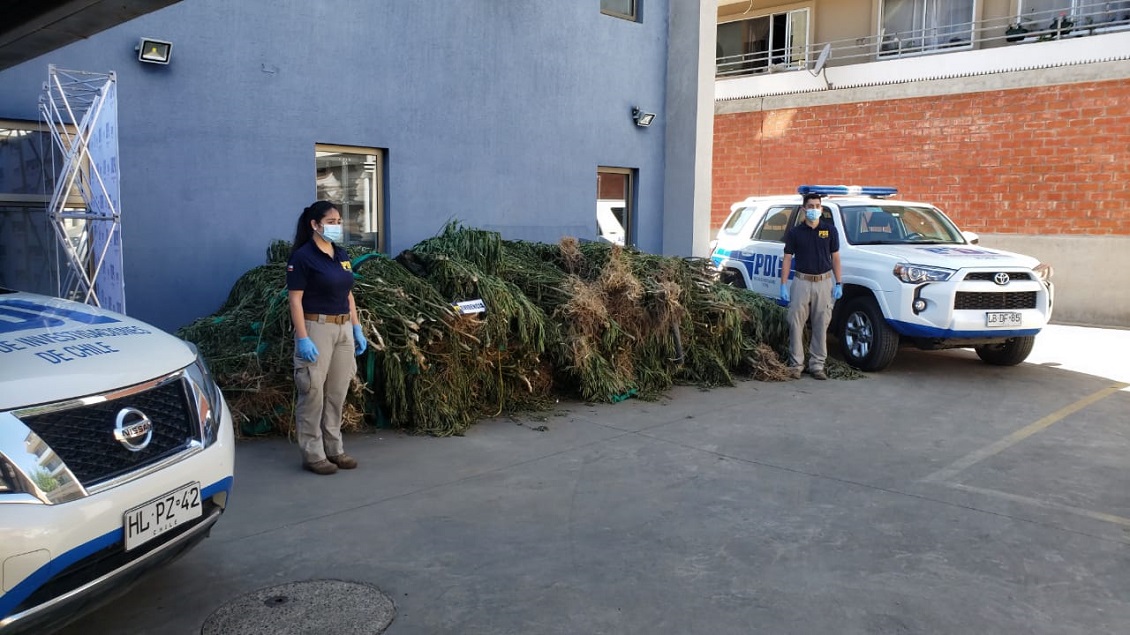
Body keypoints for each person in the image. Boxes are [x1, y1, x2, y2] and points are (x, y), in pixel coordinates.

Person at [286, 200, 368, 475]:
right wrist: (303, 338)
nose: (337, 226)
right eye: (331, 222)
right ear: (315, 224)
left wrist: (356, 328)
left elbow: (349, 293)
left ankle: (335, 448)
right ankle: (313, 453)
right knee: (313, 392)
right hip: (316, 327)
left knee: (337, 392)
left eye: (338, 222)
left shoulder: (341, 254)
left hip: (343, 327)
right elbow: (295, 300)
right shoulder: (302, 257)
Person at [780, 193, 843, 381]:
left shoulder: (830, 231)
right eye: (810, 206)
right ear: (803, 209)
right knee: (795, 323)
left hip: (824, 282)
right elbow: (787, 258)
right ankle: (796, 365)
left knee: (821, 324)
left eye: (817, 206)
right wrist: (783, 284)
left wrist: (839, 282)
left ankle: (817, 365)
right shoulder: (794, 233)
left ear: (821, 209)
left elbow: (836, 257)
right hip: (802, 282)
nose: (814, 210)